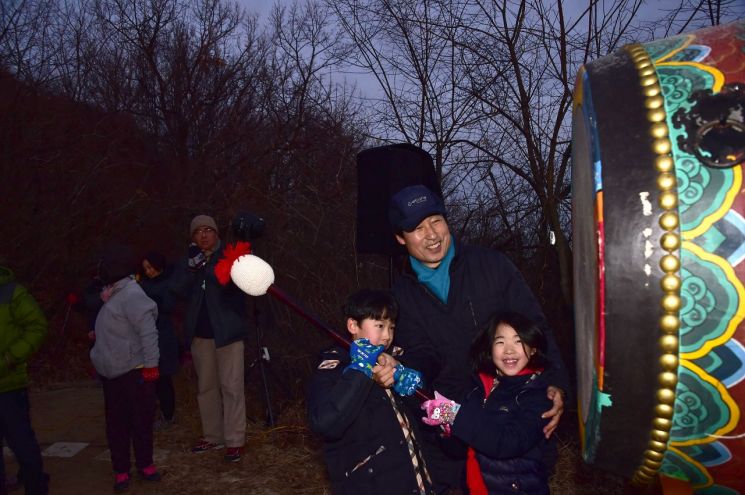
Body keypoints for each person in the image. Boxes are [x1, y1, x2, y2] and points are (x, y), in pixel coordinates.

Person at [378, 184, 570, 492]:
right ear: (400, 238)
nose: (432, 234)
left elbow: (536, 326)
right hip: (448, 438)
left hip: (510, 422)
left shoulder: (491, 265)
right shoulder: (400, 296)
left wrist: (557, 383)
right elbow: (420, 352)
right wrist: (405, 372)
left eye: (436, 221)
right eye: (417, 228)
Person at [307, 289, 433, 495]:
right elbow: (325, 423)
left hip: (414, 483)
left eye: (391, 327)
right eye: (380, 326)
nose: (387, 336)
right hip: (368, 484)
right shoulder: (333, 367)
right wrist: (360, 372)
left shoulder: (394, 360)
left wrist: (409, 381)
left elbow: (430, 361)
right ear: (353, 326)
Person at [421, 312, 555, 495]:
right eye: (500, 342)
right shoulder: (479, 390)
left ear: (533, 349)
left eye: (518, 341)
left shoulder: (537, 395)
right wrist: (447, 429)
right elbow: (459, 450)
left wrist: (456, 416)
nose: (509, 350)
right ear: (490, 349)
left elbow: (507, 443)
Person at [173, 215, 249, 462]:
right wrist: (191, 268)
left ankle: (235, 440)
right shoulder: (188, 262)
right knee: (206, 388)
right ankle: (212, 436)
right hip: (201, 336)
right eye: (198, 232)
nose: (204, 235)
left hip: (227, 334)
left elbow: (235, 287)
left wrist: (211, 268)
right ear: (193, 237)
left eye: (208, 230)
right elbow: (176, 290)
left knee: (232, 387)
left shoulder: (229, 256)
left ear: (216, 233)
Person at [90, 245, 161, 492]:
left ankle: (146, 465)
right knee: (116, 425)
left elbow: (148, 331)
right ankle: (121, 470)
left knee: (140, 422)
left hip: (134, 371)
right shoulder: (113, 294)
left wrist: (151, 366)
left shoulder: (132, 294)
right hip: (113, 374)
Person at [0, 265, 49, 495]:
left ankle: (36, 488)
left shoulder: (12, 292)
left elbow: (37, 326)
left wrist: (10, 358)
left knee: (22, 446)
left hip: (9, 385)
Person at [139, 251, 180, 429]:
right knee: (151, 382)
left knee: (164, 379)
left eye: (150, 267)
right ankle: (155, 413)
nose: (148, 271)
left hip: (164, 336)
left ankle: (168, 415)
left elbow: (169, 305)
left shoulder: (168, 283)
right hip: (147, 336)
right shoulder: (142, 285)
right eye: (145, 268)